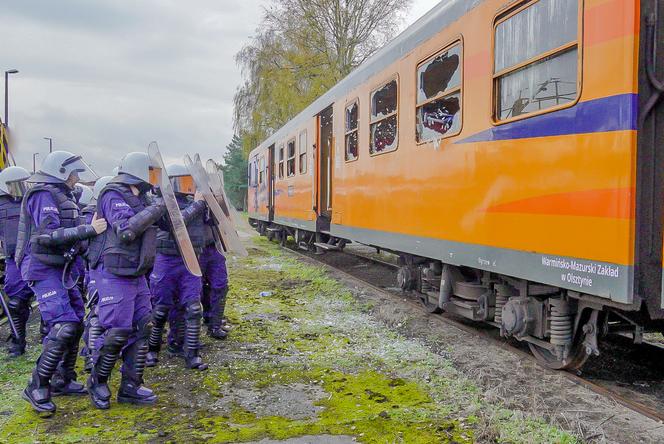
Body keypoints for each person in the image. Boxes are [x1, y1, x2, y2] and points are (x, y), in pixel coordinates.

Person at [17, 151, 107, 415]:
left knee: (76, 321)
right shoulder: (42, 195)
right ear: (60, 172)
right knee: (63, 324)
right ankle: (37, 385)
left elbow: (71, 231)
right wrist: (89, 230)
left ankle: (62, 378)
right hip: (42, 268)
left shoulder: (64, 196)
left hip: (62, 267)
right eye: (73, 173)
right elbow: (46, 235)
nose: (76, 178)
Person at [87, 153, 165, 410]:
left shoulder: (142, 197)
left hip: (136, 271)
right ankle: (97, 381)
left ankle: (131, 386)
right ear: (138, 171)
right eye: (151, 173)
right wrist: (156, 208)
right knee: (117, 331)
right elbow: (126, 230)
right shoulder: (113, 194)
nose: (154, 179)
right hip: (114, 272)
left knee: (144, 326)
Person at [147, 164, 208, 371]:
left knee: (192, 307)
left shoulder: (195, 203)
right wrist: (199, 205)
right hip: (166, 258)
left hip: (190, 260)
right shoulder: (160, 203)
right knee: (161, 307)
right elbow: (176, 222)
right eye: (184, 181)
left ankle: (190, 352)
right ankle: (152, 349)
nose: (189, 186)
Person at [0, 166, 35, 357]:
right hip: (14, 260)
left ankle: (50, 342)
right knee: (15, 303)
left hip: (37, 257)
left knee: (50, 304)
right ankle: (17, 341)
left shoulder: (33, 201)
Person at [80, 176, 113, 372]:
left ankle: (103, 351)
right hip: (96, 270)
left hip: (111, 268)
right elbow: (83, 246)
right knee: (97, 314)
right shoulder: (91, 215)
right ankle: (91, 358)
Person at [200, 220, 230, 340]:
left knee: (221, 285)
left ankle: (215, 325)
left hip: (214, 246)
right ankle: (206, 318)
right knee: (197, 287)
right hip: (194, 247)